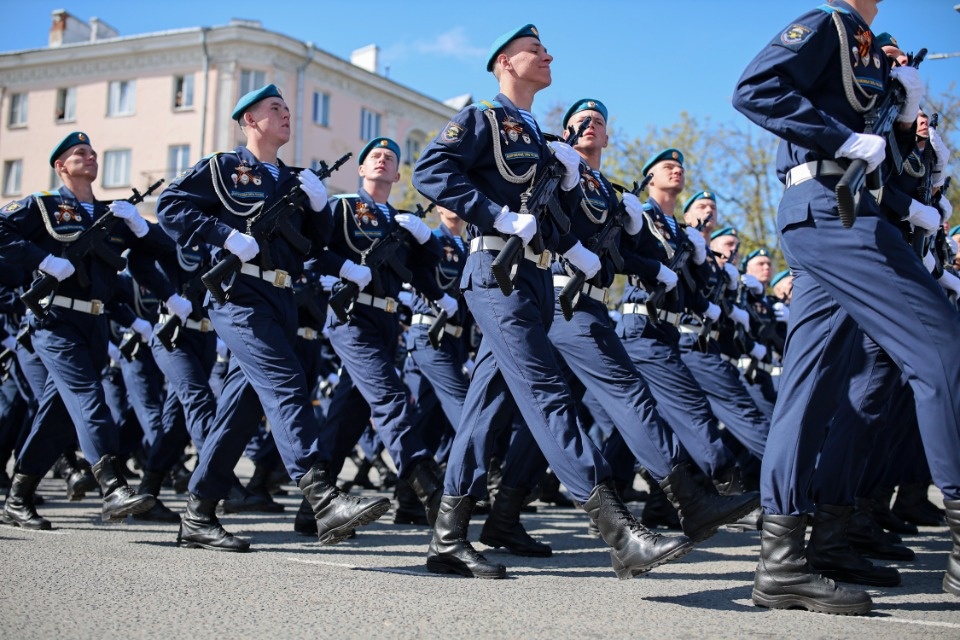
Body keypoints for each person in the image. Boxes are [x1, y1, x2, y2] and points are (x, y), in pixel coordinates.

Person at [413, 24, 693, 580]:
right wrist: (493, 214)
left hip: (538, 280)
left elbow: (551, 218)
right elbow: (430, 171)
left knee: (484, 411)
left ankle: (447, 538)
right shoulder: (481, 119)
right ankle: (618, 533)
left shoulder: (542, 140)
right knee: (547, 394)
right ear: (505, 62)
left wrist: (572, 219)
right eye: (534, 50)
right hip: (497, 274)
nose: (547, 56)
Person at [733, 0, 960, 614]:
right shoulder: (830, 24)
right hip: (834, 209)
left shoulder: (864, 46)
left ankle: (786, 562)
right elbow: (754, 89)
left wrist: (903, 115)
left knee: (812, 387)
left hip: (833, 211)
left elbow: (890, 163)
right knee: (942, 347)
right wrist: (844, 138)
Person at [157, 84, 390, 551]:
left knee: (240, 411)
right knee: (286, 381)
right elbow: (170, 206)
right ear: (249, 120)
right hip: (239, 294)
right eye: (274, 108)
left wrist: (320, 207)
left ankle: (198, 514)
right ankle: (322, 496)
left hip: (282, 297)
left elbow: (314, 247)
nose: (286, 114)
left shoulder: (295, 179)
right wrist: (223, 235)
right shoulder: (224, 167)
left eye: (287, 108)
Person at [0, 131, 169, 527]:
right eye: (80, 153)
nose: (90, 156)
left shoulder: (113, 214)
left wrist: (142, 227)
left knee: (58, 416)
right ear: (61, 166)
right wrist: (42, 260)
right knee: (88, 395)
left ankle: (17, 499)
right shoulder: (42, 206)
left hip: (95, 323)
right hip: (55, 320)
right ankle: (112, 486)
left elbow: (164, 249)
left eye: (93, 152)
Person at [314, 136, 446, 527]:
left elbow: (426, 270)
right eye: (375, 155)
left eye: (390, 157)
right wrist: (342, 269)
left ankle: (312, 506)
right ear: (361, 168)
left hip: (386, 321)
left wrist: (426, 238)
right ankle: (425, 484)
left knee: (349, 414)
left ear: (398, 175)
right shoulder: (341, 207)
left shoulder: (401, 221)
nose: (383, 160)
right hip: (352, 315)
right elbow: (313, 249)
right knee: (390, 395)